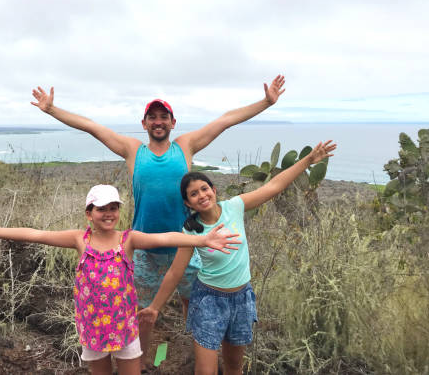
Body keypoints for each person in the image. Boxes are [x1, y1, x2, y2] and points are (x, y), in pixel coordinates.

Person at [31, 75, 285, 366]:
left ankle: (198, 360)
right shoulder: (133, 151)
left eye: (164, 116)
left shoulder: (185, 147)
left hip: (186, 247)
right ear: (144, 125)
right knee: (142, 314)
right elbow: (92, 127)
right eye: (152, 117)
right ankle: (137, 365)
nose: (158, 121)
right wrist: (52, 110)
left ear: (172, 122)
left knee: (197, 309)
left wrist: (266, 102)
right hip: (144, 251)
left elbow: (224, 121)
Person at [0, 184, 241, 375]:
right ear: (89, 213)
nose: (108, 214)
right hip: (92, 327)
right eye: (101, 208)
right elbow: (36, 234)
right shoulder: (78, 240)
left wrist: (203, 239)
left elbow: (164, 237)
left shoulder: (128, 239)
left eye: (113, 208)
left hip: (124, 326)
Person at [138, 140, 337, 375]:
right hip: (208, 301)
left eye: (204, 188)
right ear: (187, 202)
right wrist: (154, 308)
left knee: (234, 367)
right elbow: (175, 272)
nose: (201, 195)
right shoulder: (191, 230)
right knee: (206, 371)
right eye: (193, 194)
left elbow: (273, 187)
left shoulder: (235, 206)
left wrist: (307, 161)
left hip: (241, 299)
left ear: (214, 189)